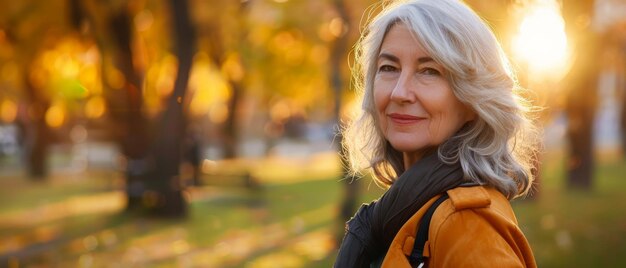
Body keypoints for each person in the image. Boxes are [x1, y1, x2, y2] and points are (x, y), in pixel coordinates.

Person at [335, 0, 538, 267]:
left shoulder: (466, 222)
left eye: (429, 71)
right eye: (389, 68)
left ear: (473, 100)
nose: (399, 92)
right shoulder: (403, 209)